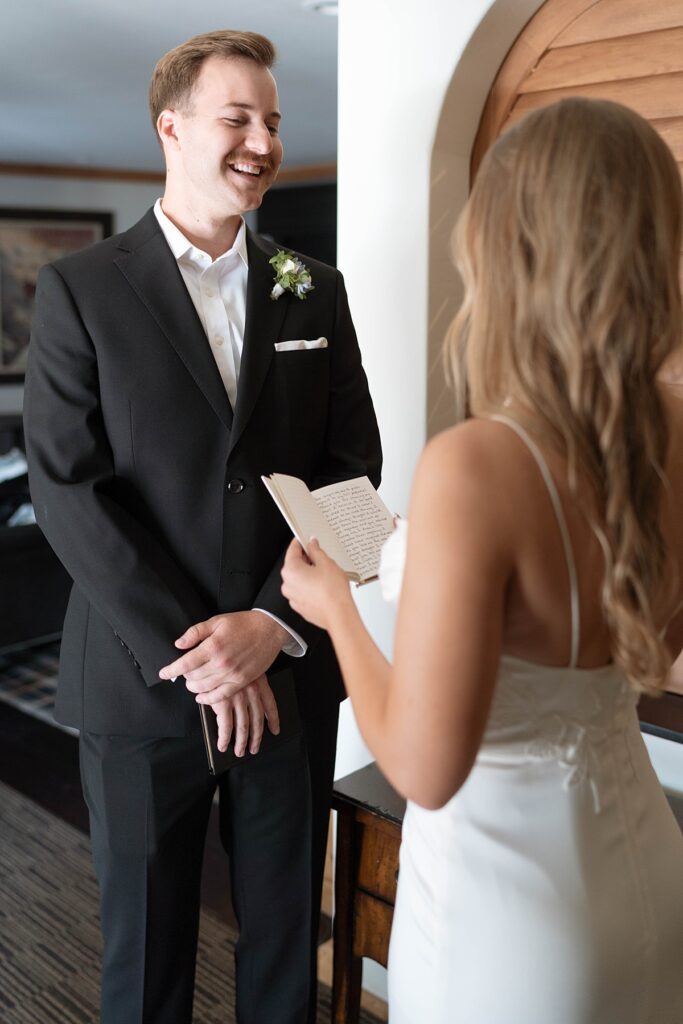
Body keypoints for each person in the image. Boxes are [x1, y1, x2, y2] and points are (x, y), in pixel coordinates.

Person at [281, 97, 683, 1024]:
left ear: (508, 251)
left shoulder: (477, 464)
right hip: (647, 878)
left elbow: (426, 768)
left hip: (511, 923)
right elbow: (644, 640)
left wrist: (338, 604)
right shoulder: (670, 433)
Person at [23, 29, 381, 1024]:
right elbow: (67, 488)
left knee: (282, 947)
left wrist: (270, 624)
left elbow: (356, 475)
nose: (263, 140)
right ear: (170, 128)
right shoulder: (82, 288)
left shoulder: (315, 288)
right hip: (144, 684)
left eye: (272, 120)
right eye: (239, 118)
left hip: (291, 673)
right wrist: (202, 655)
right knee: (144, 954)